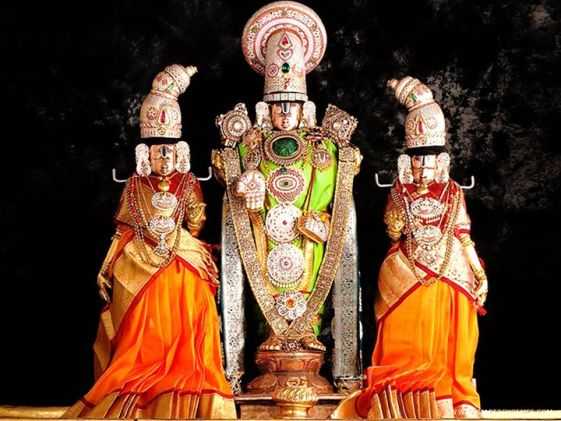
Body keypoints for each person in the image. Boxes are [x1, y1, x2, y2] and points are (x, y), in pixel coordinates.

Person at [63, 65, 236, 419]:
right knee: (139, 307)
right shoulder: (134, 185)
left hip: (180, 251)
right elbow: (122, 229)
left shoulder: (188, 182)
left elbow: (196, 225)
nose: (164, 158)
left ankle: (184, 373)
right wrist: (107, 264)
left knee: (194, 293)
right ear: (146, 155)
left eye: (169, 152)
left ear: (180, 152)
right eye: (158, 152)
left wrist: (189, 220)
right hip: (138, 253)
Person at [212, 1, 362, 393]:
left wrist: (319, 221)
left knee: (310, 290)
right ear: (266, 108)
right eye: (277, 107)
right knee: (263, 293)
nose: (284, 114)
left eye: (291, 106)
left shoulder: (323, 146)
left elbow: (340, 185)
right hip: (262, 237)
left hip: (308, 239)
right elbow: (226, 168)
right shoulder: (251, 144)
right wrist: (243, 181)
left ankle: (309, 348)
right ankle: (268, 348)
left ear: (304, 108)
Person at [332, 76, 488, 419]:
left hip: (450, 265)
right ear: (408, 161)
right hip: (407, 266)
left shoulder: (453, 192)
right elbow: (394, 232)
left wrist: (479, 273)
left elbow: (463, 234)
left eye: (430, 160)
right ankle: (412, 395)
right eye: (417, 160)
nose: (424, 167)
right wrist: (399, 210)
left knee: (456, 321)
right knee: (403, 325)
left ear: (441, 161)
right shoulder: (399, 191)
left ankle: (457, 394)